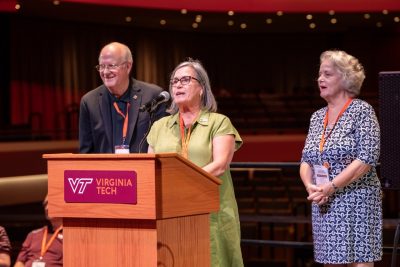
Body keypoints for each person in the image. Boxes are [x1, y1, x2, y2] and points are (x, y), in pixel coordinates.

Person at [147, 58, 244, 267]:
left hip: (210, 214)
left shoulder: (219, 122)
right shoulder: (159, 126)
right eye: (174, 81)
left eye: (185, 80)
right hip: (169, 212)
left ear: (201, 87)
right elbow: (149, 168)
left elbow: (219, 165)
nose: (178, 85)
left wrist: (180, 184)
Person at [300, 50, 382, 267]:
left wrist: (332, 186)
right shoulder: (317, 117)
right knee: (331, 262)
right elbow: (306, 160)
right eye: (319, 74)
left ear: (345, 79)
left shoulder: (362, 111)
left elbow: (366, 158)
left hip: (357, 199)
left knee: (359, 262)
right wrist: (311, 187)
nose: (320, 79)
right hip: (325, 201)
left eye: (327, 74)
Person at [79, 41, 167, 153]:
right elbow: (86, 152)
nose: (105, 72)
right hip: (105, 170)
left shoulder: (153, 96)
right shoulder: (89, 102)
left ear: (128, 66)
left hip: (143, 169)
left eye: (111, 65)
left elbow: (162, 145)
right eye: (101, 66)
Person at [14, 196, 63, 267]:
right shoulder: (33, 234)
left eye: (51, 203)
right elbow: (20, 262)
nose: (47, 208)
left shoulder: (72, 235)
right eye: (45, 204)